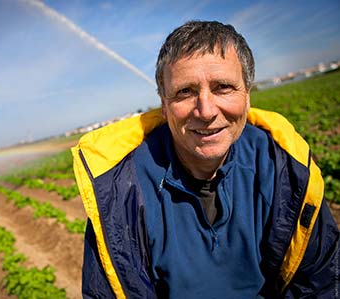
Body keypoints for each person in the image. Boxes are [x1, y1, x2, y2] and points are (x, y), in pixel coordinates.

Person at [72, 20, 339, 298]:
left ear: (247, 96)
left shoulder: (284, 167)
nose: (206, 110)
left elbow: (321, 282)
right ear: (164, 105)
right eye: (185, 92)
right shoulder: (121, 193)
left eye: (223, 87)